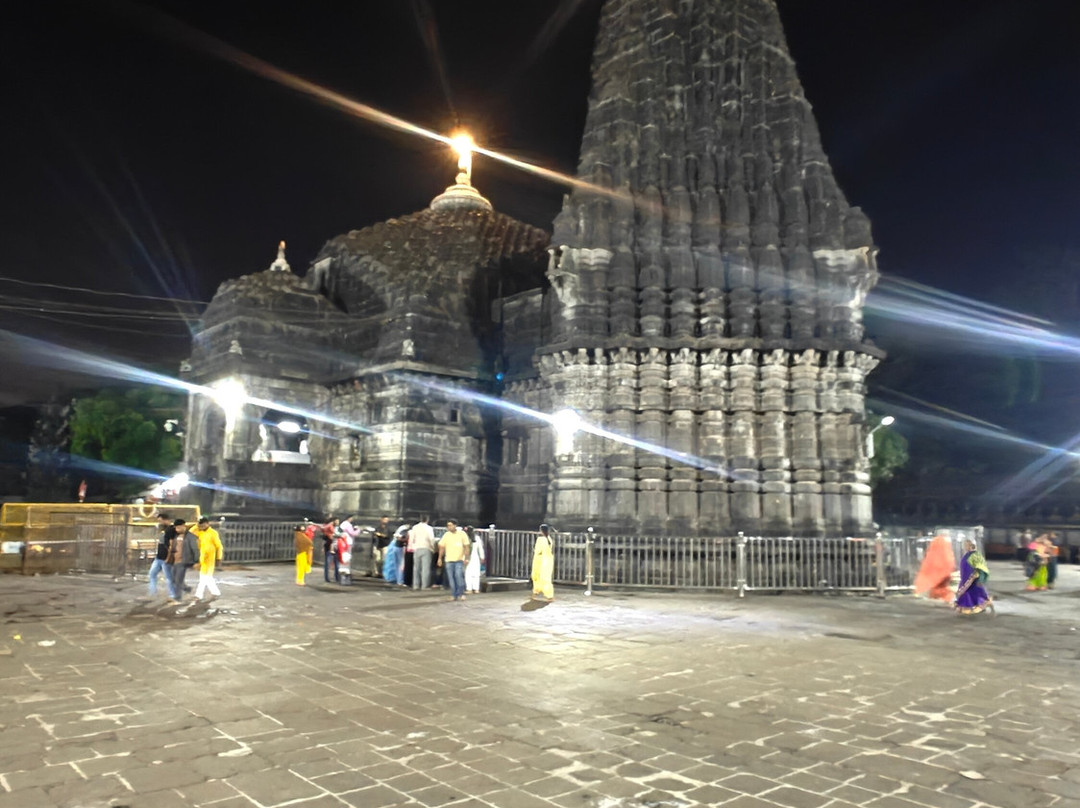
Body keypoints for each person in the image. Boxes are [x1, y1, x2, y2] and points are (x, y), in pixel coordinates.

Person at [954, 538, 994, 615]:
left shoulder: (976, 555)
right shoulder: (967, 554)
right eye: (964, 545)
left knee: (976, 593)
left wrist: (980, 578)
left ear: (971, 545)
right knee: (967, 593)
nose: (965, 547)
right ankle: (965, 606)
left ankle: (980, 605)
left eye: (966, 545)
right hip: (965, 579)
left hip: (973, 579)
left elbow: (981, 568)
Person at [913, 532, 955, 603]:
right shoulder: (945, 557)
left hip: (926, 594)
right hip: (938, 595)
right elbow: (946, 572)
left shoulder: (929, 559)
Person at [437, 520, 470, 601]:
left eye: (451, 525)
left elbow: (466, 547)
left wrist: (466, 558)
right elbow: (441, 547)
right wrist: (439, 558)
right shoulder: (446, 535)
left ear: (455, 525)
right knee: (451, 579)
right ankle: (453, 594)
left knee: (459, 576)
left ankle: (461, 593)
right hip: (449, 560)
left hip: (459, 560)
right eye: (448, 525)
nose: (449, 527)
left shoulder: (462, 534)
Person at [192, 517, 224, 601]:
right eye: (200, 526)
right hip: (202, 558)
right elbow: (190, 532)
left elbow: (219, 546)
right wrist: (196, 525)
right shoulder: (200, 532)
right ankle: (216, 592)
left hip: (210, 559)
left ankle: (198, 595)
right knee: (208, 578)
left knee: (203, 578)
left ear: (207, 523)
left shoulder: (213, 533)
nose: (201, 527)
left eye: (203, 525)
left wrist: (218, 558)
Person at [148, 513, 174, 598]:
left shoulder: (171, 530)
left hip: (166, 558)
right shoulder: (162, 529)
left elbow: (172, 546)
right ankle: (152, 593)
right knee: (152, 574)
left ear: (165, 520)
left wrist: (168, 558)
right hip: (159, 557)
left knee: (169, 578)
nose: (159, 522)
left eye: (160, 521)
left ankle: (173, 595)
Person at [410, 516, 437, 590]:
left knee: (416, 568)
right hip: (426, 548)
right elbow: (431, 539)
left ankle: (416, 585)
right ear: (427, 520)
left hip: (416, 548)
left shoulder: (415, 527)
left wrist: (412, 547)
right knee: (425, 568)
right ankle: (424, 586)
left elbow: (411, 538)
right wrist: (433, 548)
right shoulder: (429, 528)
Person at [164, 520, 188, 602]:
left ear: (183, 526)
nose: (177, 529)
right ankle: (185, 588)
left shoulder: (188, 536)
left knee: (178, 580)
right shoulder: (176, 536)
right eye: (176, 528)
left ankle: (178, 597)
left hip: (183, 561)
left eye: (178, 527)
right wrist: (168, 559)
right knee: (174, 579)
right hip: (175, 561)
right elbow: (172, 548)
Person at [532, 523, 555, 602]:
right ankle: (549, 595)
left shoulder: (540, 539)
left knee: (536, 576)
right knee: (546, 577)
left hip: (540, 560)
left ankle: (536, 592)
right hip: (548, 559)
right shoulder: (549, 538)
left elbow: (538, 550)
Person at [464, 525, 485, 595]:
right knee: (476, 574)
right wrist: (482, 557)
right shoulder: (477, 538)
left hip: (467, 558)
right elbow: (480, 548)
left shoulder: (465, 538)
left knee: (468, 573)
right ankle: (476, 589)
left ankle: (469, 589)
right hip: (476, 558)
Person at [320, 517, 340, 583]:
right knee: (328, 563)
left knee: (336, 563)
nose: (338, 522)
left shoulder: (337, 528)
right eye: (336, 521)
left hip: (336, 546)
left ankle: (337, 577)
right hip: (329, 546)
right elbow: (325, 537)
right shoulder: (328, 528)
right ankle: (327, 578)